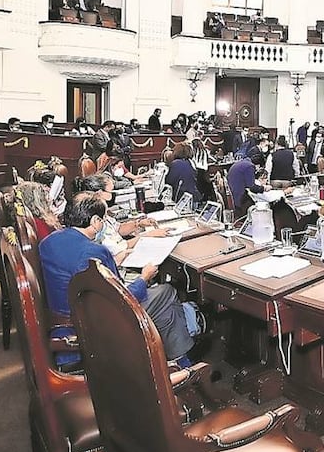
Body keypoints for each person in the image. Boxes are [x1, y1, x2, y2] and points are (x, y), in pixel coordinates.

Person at [39, 193, 200, 366]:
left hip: (65, 318)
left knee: (165, 311)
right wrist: (144, 277)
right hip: (94, 324)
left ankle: (177, 359)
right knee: (166, 292)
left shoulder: (48, 242)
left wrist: (113, 263)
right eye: (102, 220)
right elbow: (120, 298)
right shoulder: (94, 252)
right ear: (94, 221)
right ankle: (181, 360)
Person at [227, 147, 267, 214]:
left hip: (234, 192)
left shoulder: (244, 162)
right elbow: (252, 187)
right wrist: (264, 188)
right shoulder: (249, 166)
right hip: (238, 196)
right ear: (258, 164)